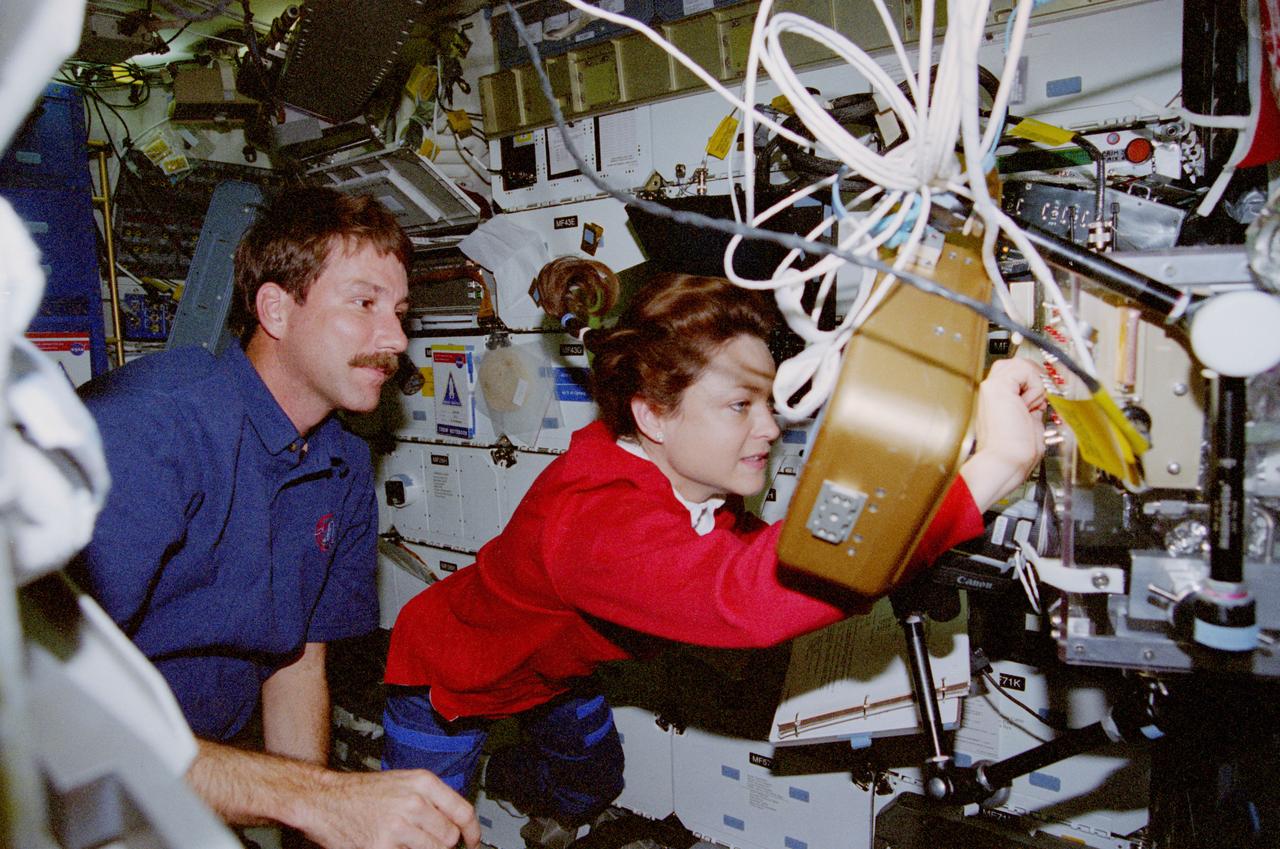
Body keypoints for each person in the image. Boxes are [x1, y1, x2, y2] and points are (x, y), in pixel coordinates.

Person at [380, 263, 1046, 833]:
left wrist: (944, 465)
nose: (769, 427)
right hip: (450, 674)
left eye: (769, 399)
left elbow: (759, 553)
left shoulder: (693, 476)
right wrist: (989, 474)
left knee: (592, 781)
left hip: (549, 670)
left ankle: (506, 774)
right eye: (739, 406)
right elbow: (749, 598)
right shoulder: (594, 524)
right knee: (420, 833)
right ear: (652, 414)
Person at [73, 187, 480, 849]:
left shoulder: (344, 461)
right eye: (364, 302)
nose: (397, 339)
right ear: (275, 309)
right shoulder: (150, 428)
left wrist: (316, 824)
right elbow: (50, 704)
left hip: (212, 769)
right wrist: (319, 798)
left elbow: (295, 665)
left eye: (401, 312)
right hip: (79, 768)